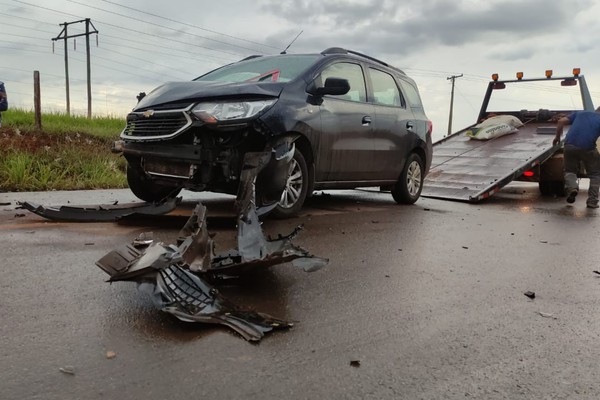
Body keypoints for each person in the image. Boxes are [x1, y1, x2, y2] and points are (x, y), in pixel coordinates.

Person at [553, 106, 600, 208]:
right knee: (595, 175)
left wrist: (557, 137)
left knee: (569, 171)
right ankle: (592, 202)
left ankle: (572, 188)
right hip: (588, 148)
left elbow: (561, 121)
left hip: (569, 145)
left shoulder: (581, 113)